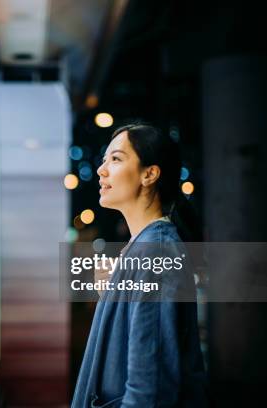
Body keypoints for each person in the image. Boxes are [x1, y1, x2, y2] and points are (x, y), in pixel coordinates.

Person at [72, 124, 207, 407]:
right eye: (104, 159)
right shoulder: (143, 247)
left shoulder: (154, 253)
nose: (102, 170)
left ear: (149, 174)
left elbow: (150, 391)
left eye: (116, 159)